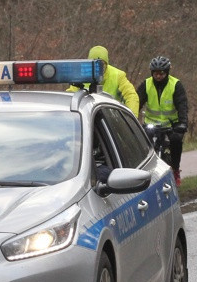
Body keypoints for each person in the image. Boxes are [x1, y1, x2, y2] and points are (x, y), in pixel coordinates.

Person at [137, 56, 189, 185]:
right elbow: (137, 101)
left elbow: (182, 105)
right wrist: (131, 117)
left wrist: (182, 123)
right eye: (155, 73)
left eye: (161, 73)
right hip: (151, 124)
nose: (158, 76)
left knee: (176, 141)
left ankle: (176, 170)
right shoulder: (146, 84)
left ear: (167, 73)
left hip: (171, 124)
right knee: (143, 145)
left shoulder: (175, 85)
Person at [67, 46, 139, 114]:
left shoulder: (118, 75)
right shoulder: (81, 75)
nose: (99, 68)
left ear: (107, 64)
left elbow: (131, 95)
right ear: (89, 63)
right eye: (95, 64)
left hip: (111, 119)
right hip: (87, 115)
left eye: (102, 64)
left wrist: (131, 117)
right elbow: (70, 95)